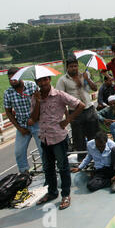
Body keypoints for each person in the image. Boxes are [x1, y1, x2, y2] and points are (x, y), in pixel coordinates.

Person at [31, 76, 85, 210]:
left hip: (58, 138)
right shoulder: (35, 97)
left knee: (63, 167)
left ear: (49, 80)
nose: (42, 83)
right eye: (39, 81)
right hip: (44, 138)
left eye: (45, 80)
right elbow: (34, 118)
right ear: (36, 82)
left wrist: (67, 120)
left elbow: (80, 105)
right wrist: (37, 102)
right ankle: (52, 192)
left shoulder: (59, 95)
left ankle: (65, 195)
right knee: (48, 168)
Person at [56, 55, 99, 161]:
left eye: (75, 66)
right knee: (78, 139)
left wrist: (87, 79)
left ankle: (95, 158)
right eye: (71, 66)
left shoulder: (84, 75)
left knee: (93, 136)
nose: (74, 68)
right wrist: (67, 117)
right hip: (75, 112)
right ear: (67, 67)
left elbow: (94, 88)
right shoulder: (63, 80)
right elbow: (59, 98)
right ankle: (82, 160)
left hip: (89, 109)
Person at [3, 67, 44, 174]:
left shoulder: (31, 86)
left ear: (20, 77)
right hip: (22, 125)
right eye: (10, 79)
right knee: (19, 152)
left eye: (14, 78)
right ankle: (24, 173)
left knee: (43, 150)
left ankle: (47, 171)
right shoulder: (8, 93)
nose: (12, 81)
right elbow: (8, 111)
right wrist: (19, 128)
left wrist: (34, 119)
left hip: (37, 123)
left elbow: (41, 103)